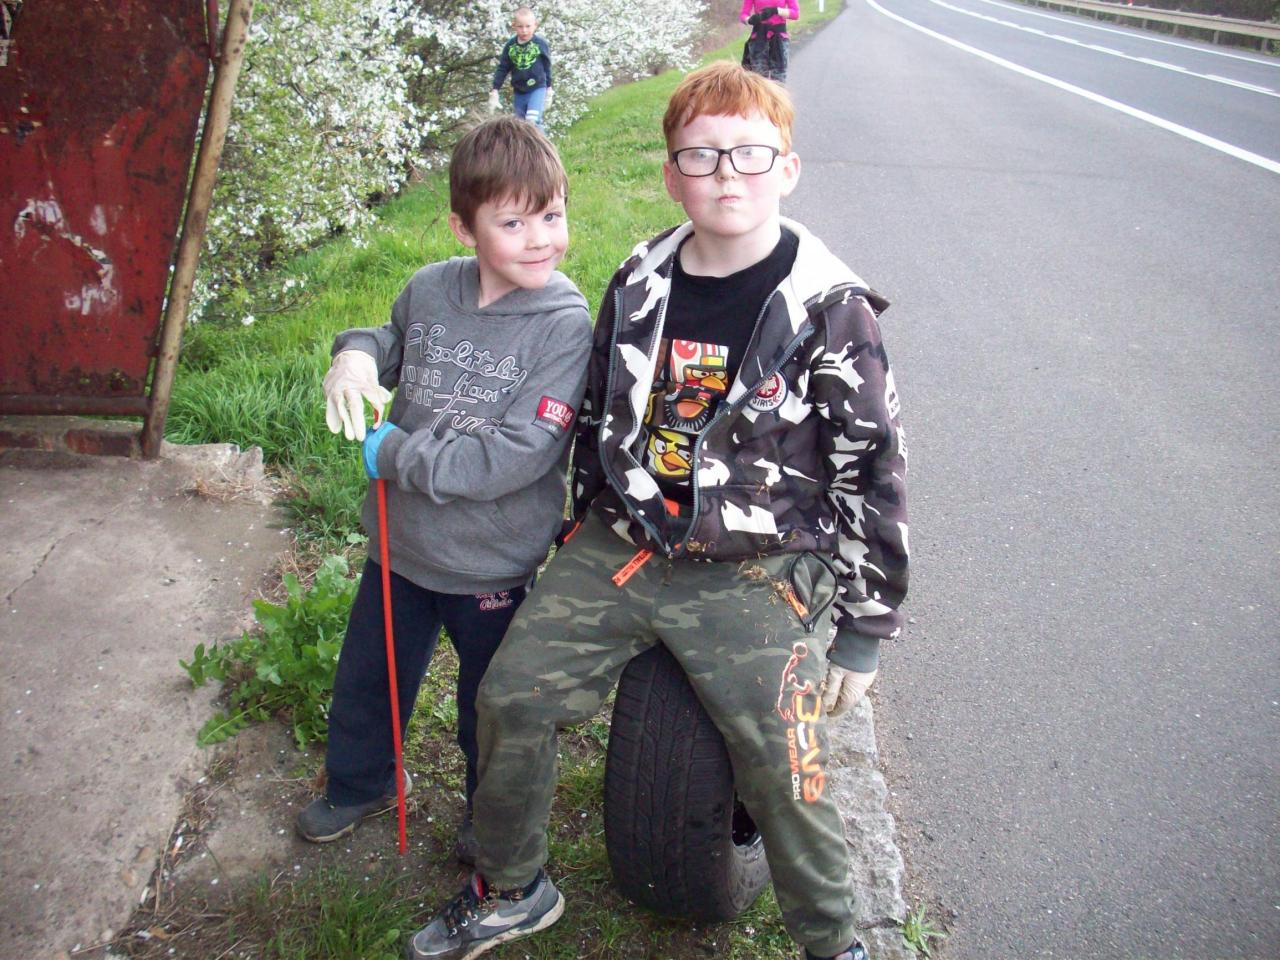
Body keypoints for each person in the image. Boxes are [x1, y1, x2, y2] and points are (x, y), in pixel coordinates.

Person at [407, 61, 908, 960]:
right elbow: (601, 410)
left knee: (785, 762)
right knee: (511, 697)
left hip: (754, 565)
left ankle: (835, 943)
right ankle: (513, 888)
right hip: (628, 541)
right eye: (700, 156)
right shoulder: (641, 275)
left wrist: (865, 630)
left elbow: (872, 468)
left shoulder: (830, 310)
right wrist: (585, 520)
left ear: (787, 169)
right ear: (673, 176)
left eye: (750, 154)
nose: (726, 174)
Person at [299, 116, 592, 867]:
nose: (539, 239)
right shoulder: (430, 288)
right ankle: (362, 783)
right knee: (369, 679)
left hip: (490, 563)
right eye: (513, 223)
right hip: (399, 547)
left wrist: (398, 454)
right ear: (464, 228)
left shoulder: (563, 326)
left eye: (551, 215)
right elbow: (386, 341)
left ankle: (489, 819)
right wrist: (354, 357)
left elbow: (519, 454)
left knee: (487, 708)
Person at [489, 7, 554, 130]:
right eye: (520, 26)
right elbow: (503, 68)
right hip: (519, 90)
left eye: (528, 26)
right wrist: (495, 89)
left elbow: (547, 66)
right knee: (521, 126)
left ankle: (540, 143)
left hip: (537, 88)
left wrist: (549, 88)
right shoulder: (510, 46)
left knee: (532, 121)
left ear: (535, 25)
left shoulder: (540, 44)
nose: (524, 30)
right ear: (514, 26)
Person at [740, 0, 798, 83]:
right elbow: (743, 15)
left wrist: (776, 10)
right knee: (759, 79)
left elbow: (795, 14)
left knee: (779, 79)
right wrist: (749, 20)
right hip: (758, 39)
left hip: (779, 39)